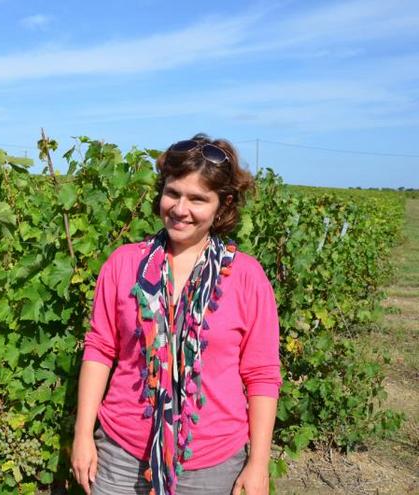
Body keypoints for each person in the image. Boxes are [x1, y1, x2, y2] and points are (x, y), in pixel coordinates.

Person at [71, 134, 281, 495]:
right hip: (121, 456)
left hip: (212, 464)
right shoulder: (124, 265)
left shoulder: (247, 277)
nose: (180, 208)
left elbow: (261, 374)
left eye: (198, 199)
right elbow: (100, 350)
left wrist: (258, 463)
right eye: (173, 193)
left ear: (223, 204)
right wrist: (82, 436)